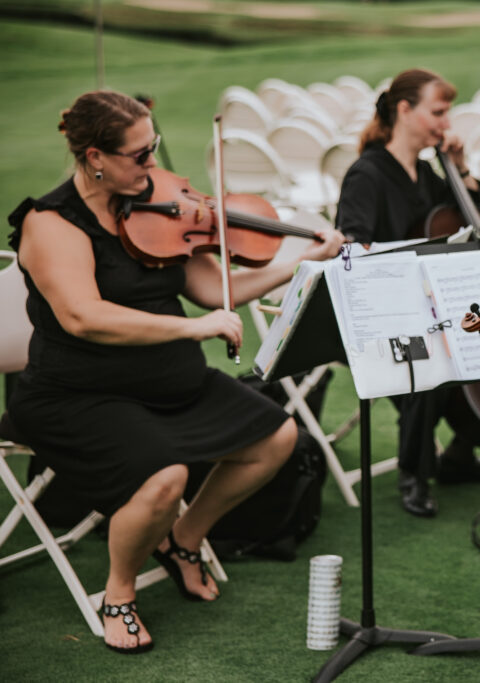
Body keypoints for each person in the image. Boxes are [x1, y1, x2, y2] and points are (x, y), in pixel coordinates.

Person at [5, 90, 346, 654]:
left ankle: (184, 541)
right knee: (164, 479)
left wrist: (298, 265)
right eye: (139, 155)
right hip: (78, 394)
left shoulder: (158, 201)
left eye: (153, 146)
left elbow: (215, 291)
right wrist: (192, 329)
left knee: (278, 436)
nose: (153, 165)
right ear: (95, 157)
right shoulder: (51, 223)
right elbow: (83, 317)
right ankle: (119, 593)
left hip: (169, 384)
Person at [335, 69, 480, 519]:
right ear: (404, 111)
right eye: (438, 112)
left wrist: (461, 166)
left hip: (430, 306)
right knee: (428, 359)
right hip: (382, 312)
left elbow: (471, 220)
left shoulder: (427, 172)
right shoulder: (366, 175)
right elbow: (351, 252)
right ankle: (414, 471)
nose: (446, 123)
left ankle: (461, 453)